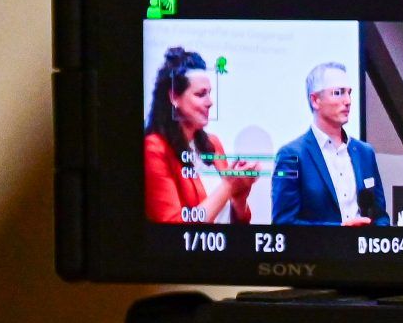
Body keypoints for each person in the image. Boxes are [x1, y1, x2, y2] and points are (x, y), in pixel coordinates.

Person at [142, 46, 254, 225]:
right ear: (174, 97)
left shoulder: (213, 144)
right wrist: (228, 186)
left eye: (209, 93)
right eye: (201, 94)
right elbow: (173, 227)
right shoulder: (154, 149)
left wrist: (239, 199)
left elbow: (238, 225)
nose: (210, 102)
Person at [270, 61, 386, 226]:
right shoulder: (291, 156)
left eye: (349, 93)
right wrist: (339, 231)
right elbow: (283, 223)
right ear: (315, 100)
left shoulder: (365, 153)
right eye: (338, 93)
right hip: (319, 244)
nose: (348, 101)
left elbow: (381, 216)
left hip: (364, 244)